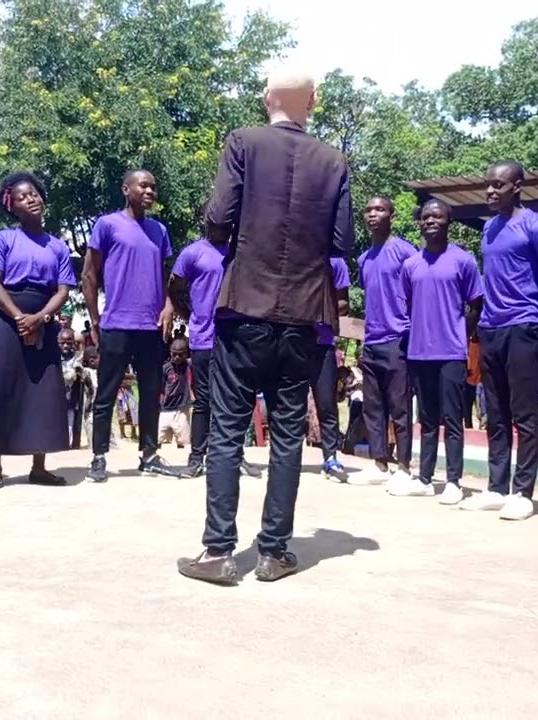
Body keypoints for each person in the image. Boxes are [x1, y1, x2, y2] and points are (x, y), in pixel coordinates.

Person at [177, 69, 353, 585]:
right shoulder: (335, 160)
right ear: (313, 102)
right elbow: (340, 240)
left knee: (229, 430)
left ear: (266, 97)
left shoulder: (243, 143)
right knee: (287, 433)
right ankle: (275, 552)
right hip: (304, 314)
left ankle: (218, 551)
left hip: (245, 307)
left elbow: (217, 218)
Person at [460, 160, 538, 520]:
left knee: (525, 413)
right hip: (491, 329)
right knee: (496, 412)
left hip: (524, 326)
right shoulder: (489, 228)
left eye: (499, 185)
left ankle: (523, 492)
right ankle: (496, 486)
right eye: (488, 185)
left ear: (518, 186)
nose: (491, 191)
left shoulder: (535, 226)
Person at [0, 171, 75, 488]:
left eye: (33, 193)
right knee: (1, 387)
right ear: (12, 206)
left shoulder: (58, 246)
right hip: (8, 320)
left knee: (43, 393)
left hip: (43, 319)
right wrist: (21, 317)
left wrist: (40, 318)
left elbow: (62, 290)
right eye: (22, 196)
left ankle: (39, 466)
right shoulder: (3, 239)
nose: (30, 199)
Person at [81, 169, 177, 481]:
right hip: (117, 323)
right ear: (126, 189)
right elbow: (89, 275)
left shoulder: (159, 230)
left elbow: (167, 277)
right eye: (143, 185)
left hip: (150, 326)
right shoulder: (107, 225)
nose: (150, 191)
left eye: (153, 186)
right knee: (106, 393)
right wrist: (95, 319)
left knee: (150, 392)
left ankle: (149, 454)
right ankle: (98, 456)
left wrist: (168, 308)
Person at [392, 199, 484, 504]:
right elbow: (407, 304)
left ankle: (454, 481)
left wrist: (463, 330)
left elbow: (476, 303)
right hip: (419, 353)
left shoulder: (463, 260)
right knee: (427, 418)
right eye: (426, 217)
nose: (431, 221)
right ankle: (425, 477)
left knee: (452, 418)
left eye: (438, 217)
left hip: (452, 353)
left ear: (449, 222)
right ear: (420, 222)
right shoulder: (410, 265)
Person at [165, 223, 262, 479]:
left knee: (235, 401)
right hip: (204, 340)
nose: (222, 223)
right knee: (203, 402)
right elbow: (174, 287)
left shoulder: (239, 253)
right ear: (206, 219)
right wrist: (188, 315)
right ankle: (196, 458)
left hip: (234, 341)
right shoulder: (192, 253)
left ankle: (236, 456)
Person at [357, 196, 418, 485]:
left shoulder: (405, 251)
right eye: (369, 210)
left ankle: (405, 466)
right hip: (371, 341)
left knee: (400, 406)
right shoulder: (364, 259)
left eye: (379, 209)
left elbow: (419, 293)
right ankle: (380, 463)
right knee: (373, 406)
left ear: (391, 216)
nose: (373, 214)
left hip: (399, 339)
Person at [312, 257, 352, 480]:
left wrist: (321, 311)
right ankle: (285, 457)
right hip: (294, 344)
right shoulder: (295, 253)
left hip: (323, 344)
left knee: (326, 403)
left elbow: (344, 303)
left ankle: (330, 457)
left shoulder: (336, 263)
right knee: (289, 403)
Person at [158, 337, 192, 449]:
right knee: (158, 439)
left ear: (186, 354)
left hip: (182, 408)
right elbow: (161, 387)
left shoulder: (189, 366)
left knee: (183, 441)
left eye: (180, 354)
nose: (177, 357)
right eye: (174, 354)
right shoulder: (165, 368)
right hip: (166, 408)